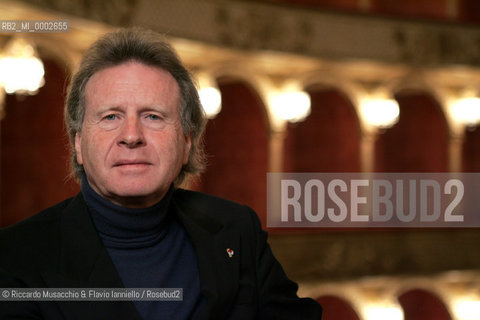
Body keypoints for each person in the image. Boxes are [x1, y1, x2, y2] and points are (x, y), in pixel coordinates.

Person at [0, 27, 322, 319]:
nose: (131, 135)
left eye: (153, 116)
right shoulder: (15, 257)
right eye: (111, 116)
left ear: (186, 143)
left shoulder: (237, 230)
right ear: (79, 144)